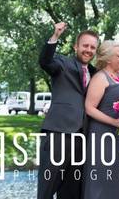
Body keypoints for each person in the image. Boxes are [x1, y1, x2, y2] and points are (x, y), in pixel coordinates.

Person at [82, 16, 119, 199]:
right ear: (108, 60)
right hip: (104, 138)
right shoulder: (100, 78)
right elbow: (89, 108)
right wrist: (115, 122)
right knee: (102, 182)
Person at [37, 22, 98, 199]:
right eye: (85, 45)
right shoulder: (62, 63)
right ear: (76, 47)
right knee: (47, 188)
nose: (88, 50)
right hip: (59, 134)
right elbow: (45, 61)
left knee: (72, 192)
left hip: (82, 139)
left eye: (93, 47)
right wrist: (55, 36)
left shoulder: (96, 73)